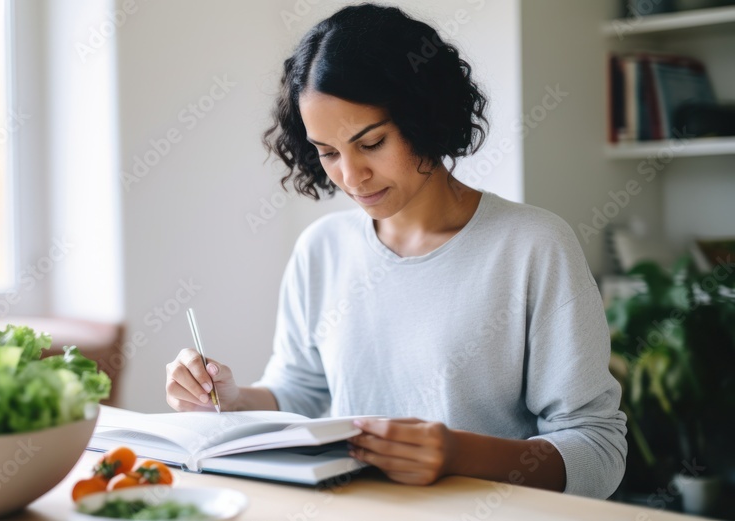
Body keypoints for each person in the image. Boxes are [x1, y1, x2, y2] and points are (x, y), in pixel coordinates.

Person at [164, 3, 626, 499]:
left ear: (425, 115)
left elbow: (597, 449)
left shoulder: (533, 246)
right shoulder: (321, 250)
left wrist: (457, 454)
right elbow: (302, 392)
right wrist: (230, 399)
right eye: (328, 152)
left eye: (372, 142)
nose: (351, 176)